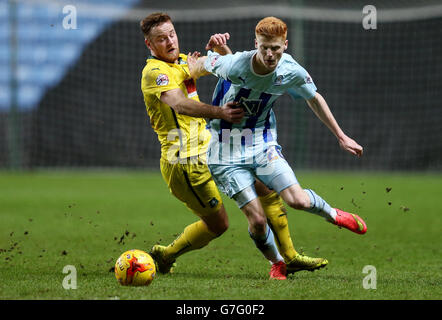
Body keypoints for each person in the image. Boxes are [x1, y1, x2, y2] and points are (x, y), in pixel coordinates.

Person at [139, 13, 326, 280]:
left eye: (172, 34)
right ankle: (166, 255)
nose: (170, 41)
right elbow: (180, 104)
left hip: (214, 149)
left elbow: (237, 73)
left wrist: (221, 50)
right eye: (161, 39)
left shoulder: (183, 62)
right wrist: (220, 112)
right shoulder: (154, 72)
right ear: (150, 45)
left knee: (266, 186)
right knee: (219, 225)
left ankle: (290, 257)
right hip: (184, 161)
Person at [188, 16, 368, 262]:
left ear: (285, 44)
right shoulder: (234, 65)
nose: (270, 54)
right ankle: (277, 263)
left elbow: (314, 98)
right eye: (264, 48)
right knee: (259, 222)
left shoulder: (291, 70)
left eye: (275, 48)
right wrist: (193, 67)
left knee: (298, 201)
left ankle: (334, 214)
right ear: (256, 44)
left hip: (262, 145)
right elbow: (201, 64)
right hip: (225, 152)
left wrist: (341, 135)